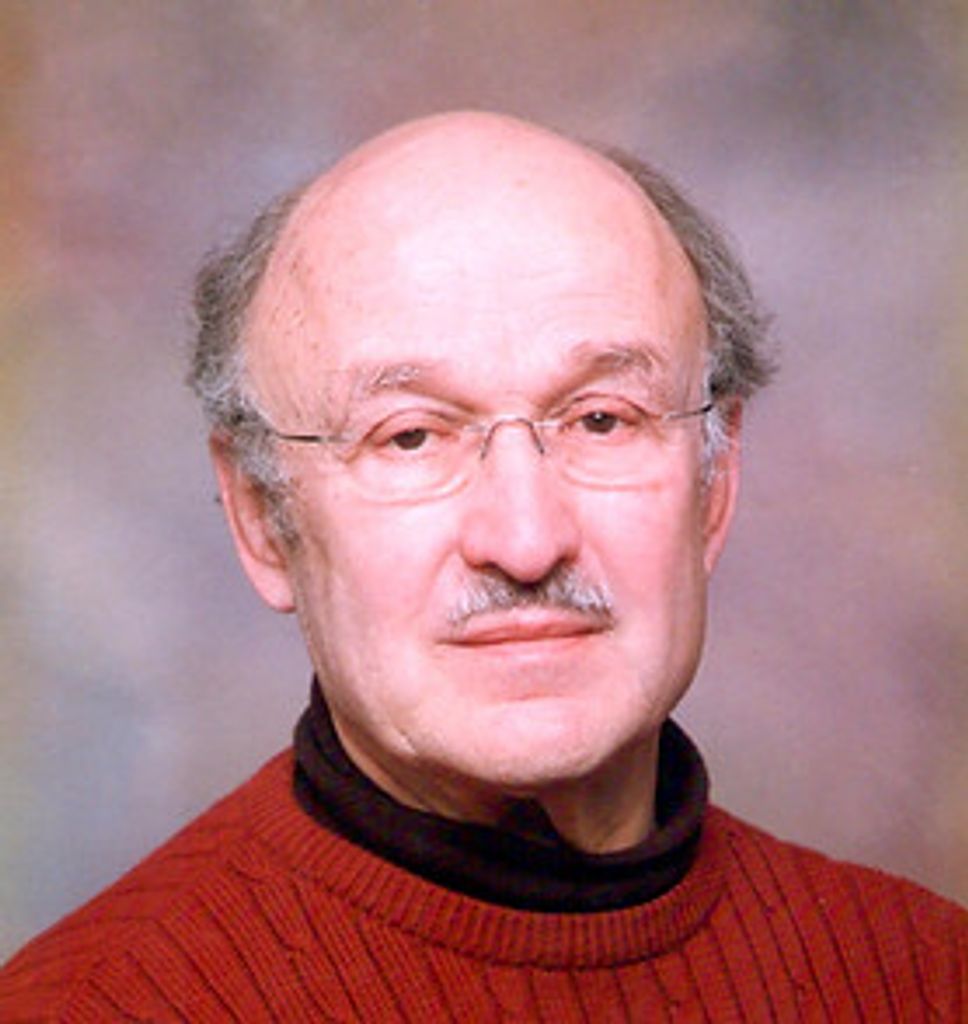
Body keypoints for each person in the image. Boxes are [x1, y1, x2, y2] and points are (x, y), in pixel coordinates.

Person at [1, 111, 964, 1021]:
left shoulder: (926, 977)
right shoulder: (88, 1005)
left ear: (715, 483)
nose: (526, 539)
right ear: (261, 517)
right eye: (410, 437)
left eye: (602, 420)